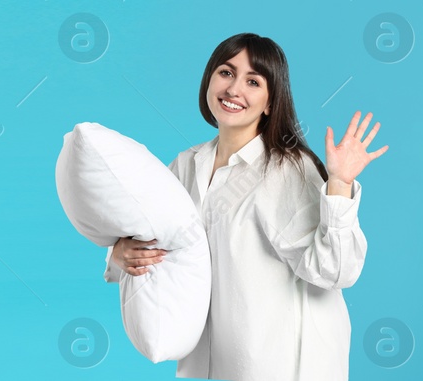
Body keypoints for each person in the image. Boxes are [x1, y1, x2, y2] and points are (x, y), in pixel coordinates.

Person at [105, 33, 389, 380]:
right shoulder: (185, 165)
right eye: (226, 72)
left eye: (253, 81)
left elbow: (335, 272)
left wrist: (340, 184)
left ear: (271, 102)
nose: (234, 89)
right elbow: (156, 244)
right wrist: (119, 255)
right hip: (207, 362)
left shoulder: (288, 170)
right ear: (209, 79)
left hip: (280, 364)